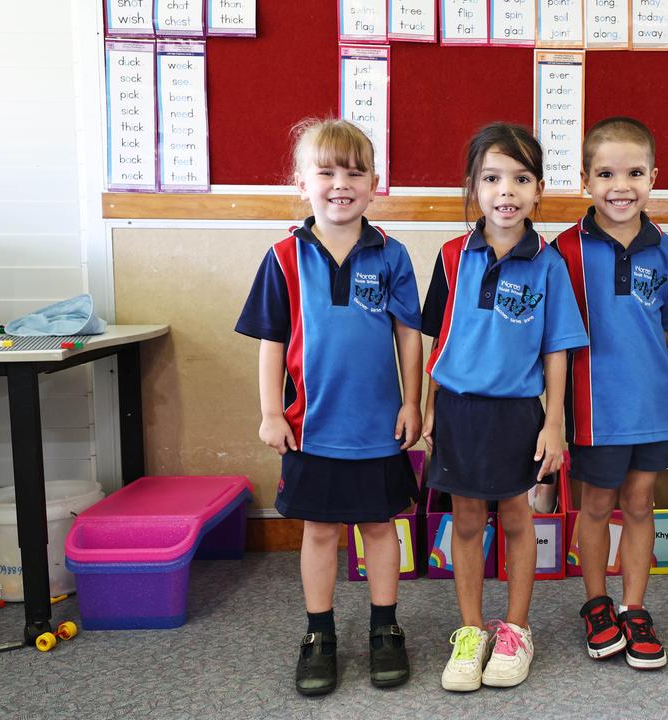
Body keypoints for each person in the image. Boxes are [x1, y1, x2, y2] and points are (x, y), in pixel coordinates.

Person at [235, 118, 423, 695]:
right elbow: (271, 339)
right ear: (302, 182)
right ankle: (319, 634)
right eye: (326, 172)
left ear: (375, 183)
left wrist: (413, 403)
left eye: (354, 172)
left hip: (377, 427)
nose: (340, 183)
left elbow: (410, 336)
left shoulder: (391, 255)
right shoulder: (284, 256)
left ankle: (385, 627)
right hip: (311, 429)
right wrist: (271, 412)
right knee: (318, 531)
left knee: (380, 526)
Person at [421, 122, 588, 691]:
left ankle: (516, 629)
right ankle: (471, 631)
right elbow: (434, 342)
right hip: (459, 411)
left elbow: (558, 349)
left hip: (519, 412)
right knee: (466, 520)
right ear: (474, 187)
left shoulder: (548, 262)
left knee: (517, 518)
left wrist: (555, 422)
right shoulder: (449, 258)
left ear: (539, 190)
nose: (506, 191)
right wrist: (426, 409)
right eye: (491, 178)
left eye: (520, 178)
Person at [552, 117, 668, 670]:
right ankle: (596, 603)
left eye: (634, 172)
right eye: (605, 173)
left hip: (651, 408)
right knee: (597, 506)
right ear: (585, 180)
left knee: (639, 505)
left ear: (654, 176)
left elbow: (666, 331)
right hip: (592, 411)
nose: (621, 185)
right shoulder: (563, 250)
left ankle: (634, 607)